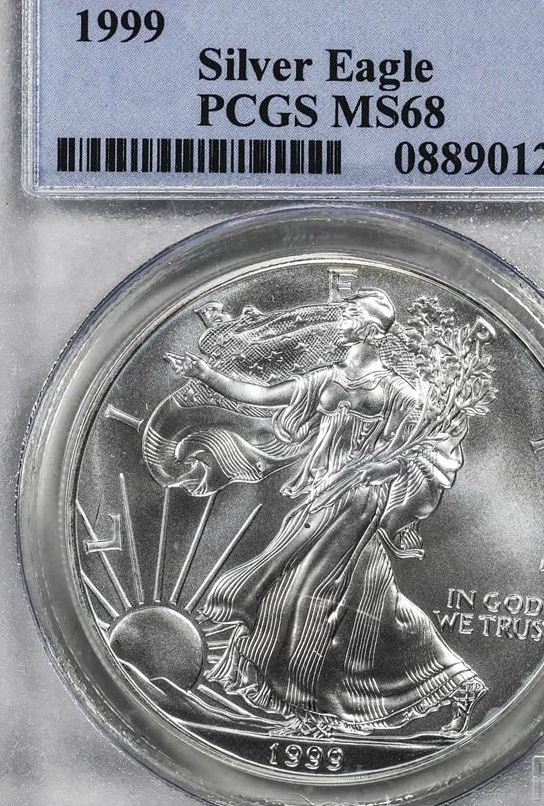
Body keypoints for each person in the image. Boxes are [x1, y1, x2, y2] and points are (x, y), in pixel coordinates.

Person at [174, 289, 486, 738]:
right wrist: (206, 374)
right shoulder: (327, 377)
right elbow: (263, 395)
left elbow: (422, 447)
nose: (340, 320)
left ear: (371, 330)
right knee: (360, 604)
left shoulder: (396, 390)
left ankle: (314, 713)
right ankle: (454, 684)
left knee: (307, 596)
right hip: (321, 496)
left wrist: (384, 467)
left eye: (349, 314)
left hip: (359, 501)